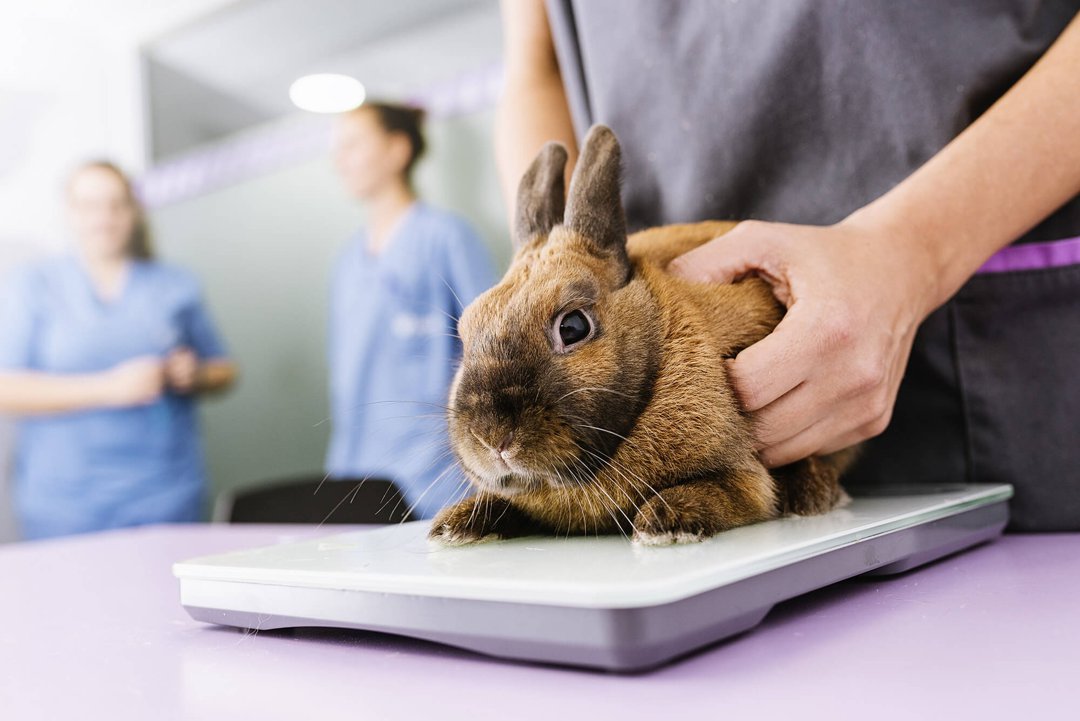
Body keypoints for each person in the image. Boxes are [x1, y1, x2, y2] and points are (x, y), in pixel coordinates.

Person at [496, 1, 1080, 530]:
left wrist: (915, 252)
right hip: (651, 449)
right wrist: (547, 271)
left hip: (983, 323)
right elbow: (533, 65)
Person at [0, 161, 237, 539]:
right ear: (70, 212)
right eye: (90, 206)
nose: (104, 218)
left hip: (166, 495)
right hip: (65, 504)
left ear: (135, 210)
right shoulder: (32, 285)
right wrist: (109, 388)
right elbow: (5, 388)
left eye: (116, 204)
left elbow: (225, 371)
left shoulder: (175, 284)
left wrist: (194, 375)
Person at [327, 102, 495, 519]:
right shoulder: (348, 260)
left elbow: (493, 346)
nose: (339, 160)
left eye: (352, 144)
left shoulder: (446, 237)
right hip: (356, 471)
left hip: (436, 478)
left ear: (397, 150)